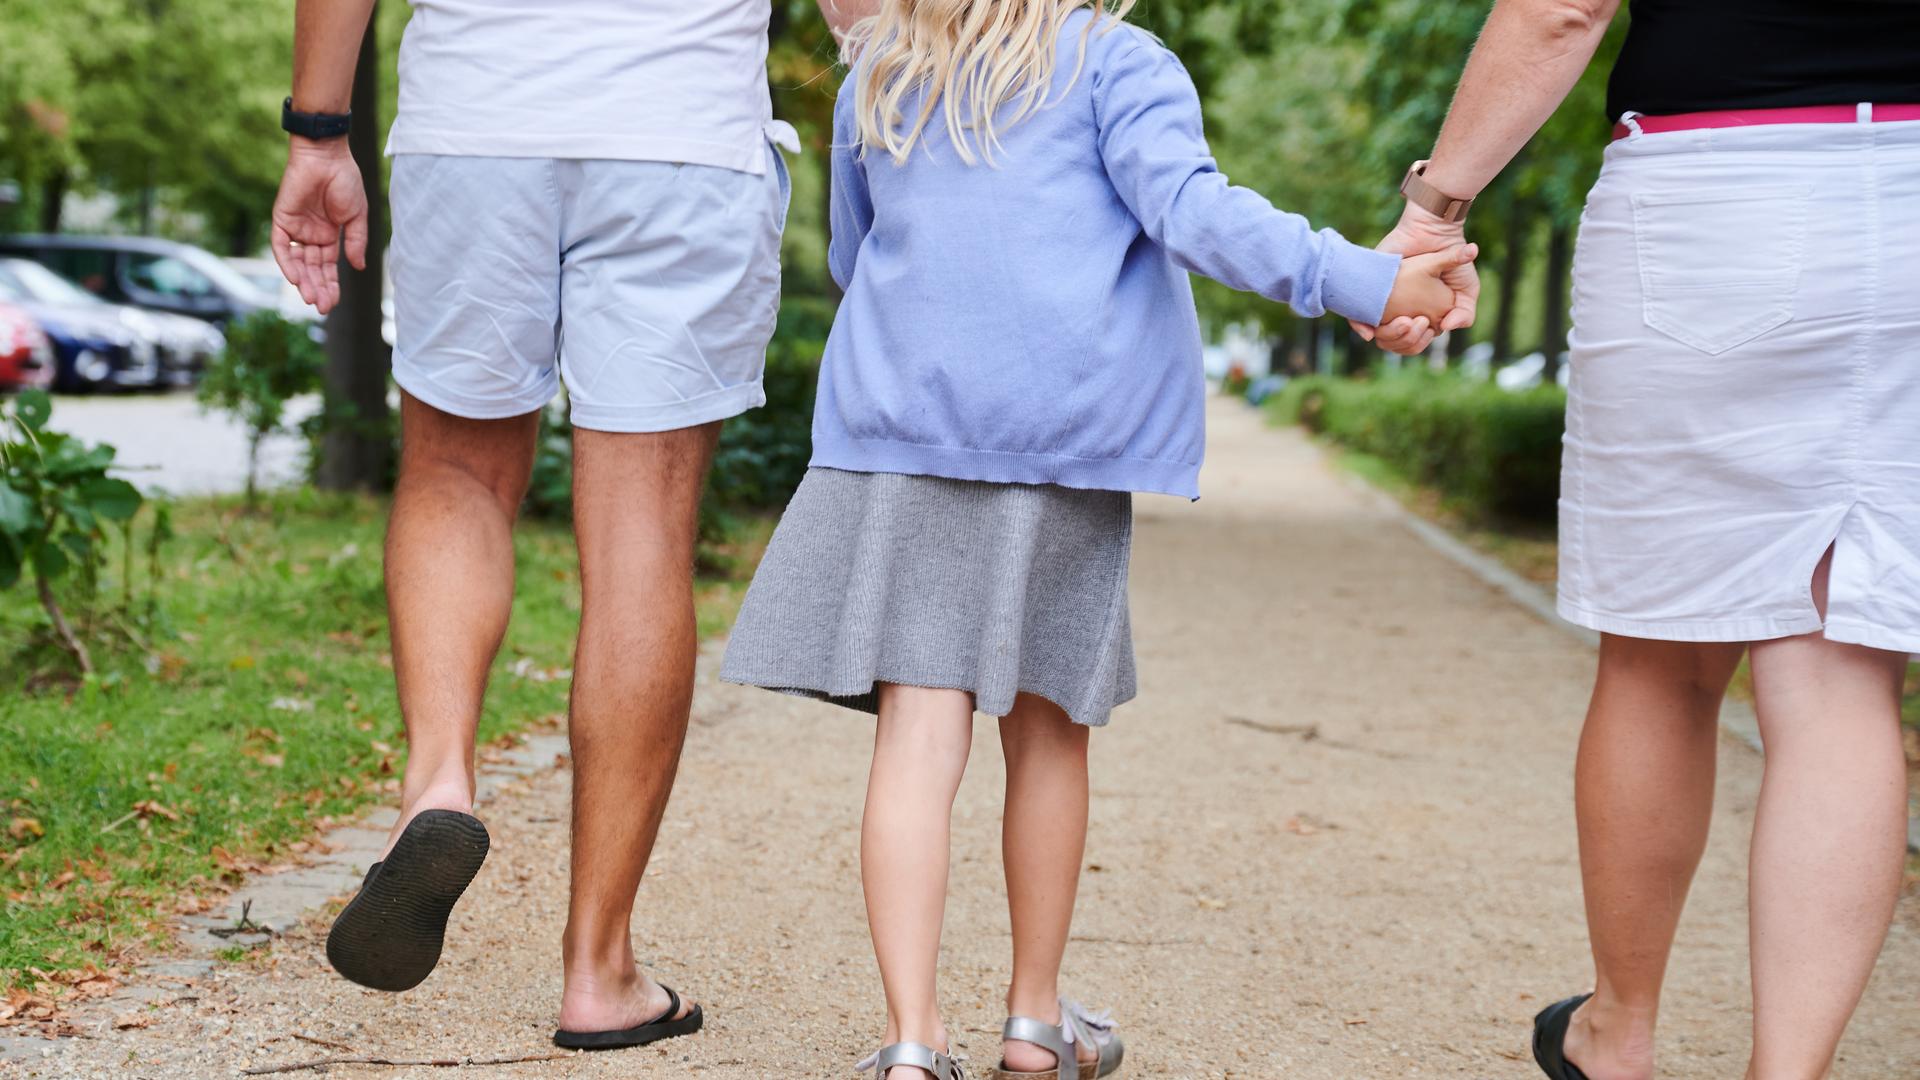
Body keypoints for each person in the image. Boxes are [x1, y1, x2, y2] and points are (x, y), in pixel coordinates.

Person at [716, 1, 1477, 1076]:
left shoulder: (878, 74)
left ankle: (911, 1044)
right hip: (1060, 440)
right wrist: (1360, 277)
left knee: (917, 737)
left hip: (907, 434)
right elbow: (1195, 215)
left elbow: (854, 257)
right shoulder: (1121, 64)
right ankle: (1033, 1024)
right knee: (1049, 730)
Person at [268, 0, 874, 1050]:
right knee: (641, 527)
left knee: (455, 473)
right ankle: (599, 972)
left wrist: (318, 129)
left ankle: (438, 783)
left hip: (478, 118)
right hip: (681, 132)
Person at [1355, 2, 1920, 1077]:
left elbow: (1564, 9)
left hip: (1724, 182)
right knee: (1844, 670)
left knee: (1663, 657)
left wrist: (1435, 209)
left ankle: (1618, 1033)